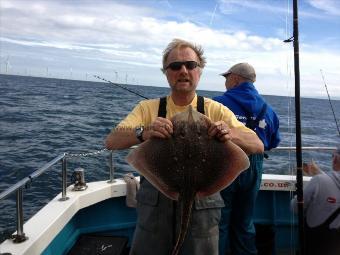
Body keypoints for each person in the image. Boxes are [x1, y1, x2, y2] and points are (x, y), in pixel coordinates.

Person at [105, 39, 264, 255]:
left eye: (190, 65)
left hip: (204, 197)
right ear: (166, 72)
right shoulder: (148, 108)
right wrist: (144, 132)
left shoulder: (215, 109)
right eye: (175, 66)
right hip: (155, 200)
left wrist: (229, 133)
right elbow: (112, 140)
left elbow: (257, 145)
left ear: (199, 71)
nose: (183, 71)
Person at [213, 63, 281, 255]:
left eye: (226, 78)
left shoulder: (217, 104)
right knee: (244, 221)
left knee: (221, 221)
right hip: (254, 166)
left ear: (235, 79)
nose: (225, 82)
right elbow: (273, 142)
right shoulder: (268, 110)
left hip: (225, 164)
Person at [291, 147, 340, 255]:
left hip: (316, 245)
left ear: (335, 159)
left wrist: (319, 177)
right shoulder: (321, 179)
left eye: (333, 157)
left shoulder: (319, 181)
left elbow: (295, 208)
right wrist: (319, 173)